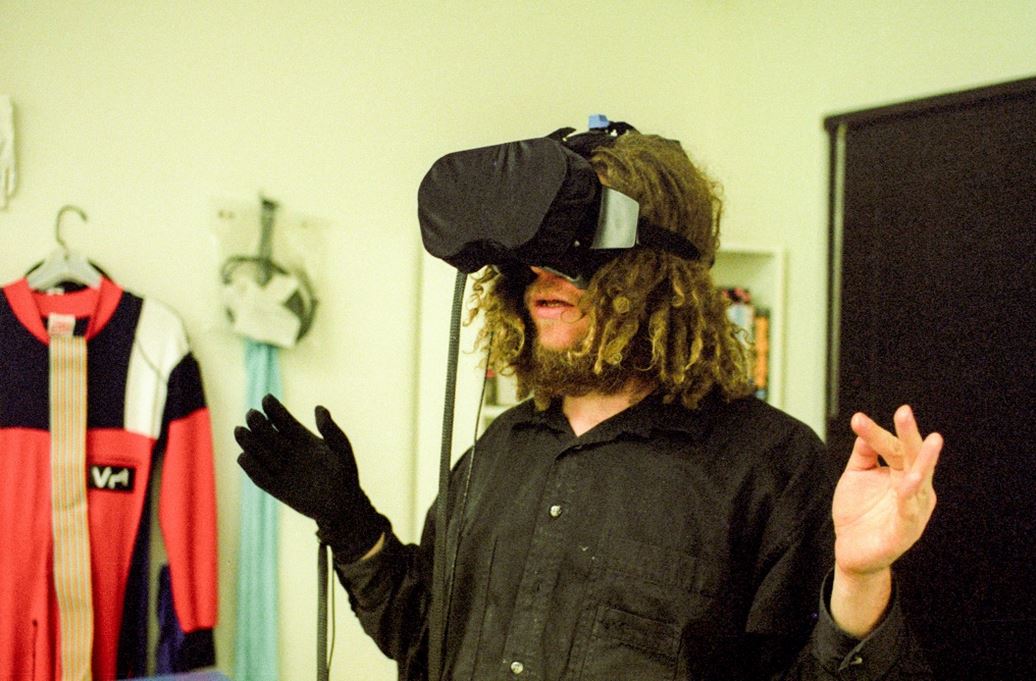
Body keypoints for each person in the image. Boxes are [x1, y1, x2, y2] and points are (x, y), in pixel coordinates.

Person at [236, 131, 941, 680]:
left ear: (658, 273)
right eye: (533, 252)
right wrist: (350, 521)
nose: (545, 274)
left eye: (578, 250)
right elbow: (427, 644)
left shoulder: (770, 467)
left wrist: (859, 580)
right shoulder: (497, 452)